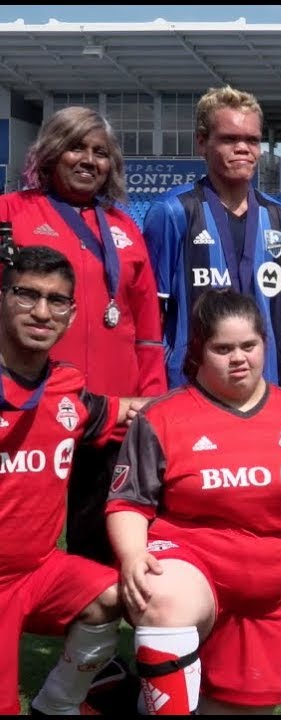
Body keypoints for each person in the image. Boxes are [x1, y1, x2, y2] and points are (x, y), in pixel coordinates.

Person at [106, 290, 281, 714]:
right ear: (199, 350)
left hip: (263, 597)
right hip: (191, 566)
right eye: (222, 348)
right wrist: (134, 555)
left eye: (249, 345)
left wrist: (278, 565)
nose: (239, 358)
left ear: (266, 343)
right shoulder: (163, 416)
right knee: (162, 596)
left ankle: (149, 697)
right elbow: (128, 503)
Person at [0, 106, 165, 563]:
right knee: (18, 530)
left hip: (114, 413)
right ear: (51, 153)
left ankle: (93, 629)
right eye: (76, 147)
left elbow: (148, 328)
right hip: (34, 411)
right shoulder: (8, 214)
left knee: (102, 538)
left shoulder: (124, 226)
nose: (88, 160)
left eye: (100, 152)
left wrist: (150, 396)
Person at [0, 246, 136, 715]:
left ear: (72, 312)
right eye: (26, 295)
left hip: (37, 573)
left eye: (56, 300)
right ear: (2, 297)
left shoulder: (66, 386)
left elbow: (128, 412)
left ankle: (57, 704)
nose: (42, 311)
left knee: (118, 595)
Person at [143, 85, 281, 389]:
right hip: (190, 389)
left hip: (268, 387)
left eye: (253, 140)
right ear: (202, 142)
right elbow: (152, 317)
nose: (243, 148)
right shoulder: (172, 213)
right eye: (230, 139)